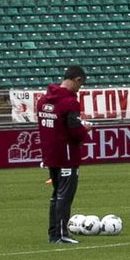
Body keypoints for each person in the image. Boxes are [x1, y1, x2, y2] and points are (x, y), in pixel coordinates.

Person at [40, 65, 89, 243]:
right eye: (80, 84)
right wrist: (86, 130)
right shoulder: (69, 102)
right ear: (77, 80)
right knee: (64, 195)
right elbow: (75, 131)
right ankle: (61, 234)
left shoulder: (43, 100)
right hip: (67, 155)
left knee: (56, 195)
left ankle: (54, 233)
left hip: (51, 154)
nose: (79, 88)